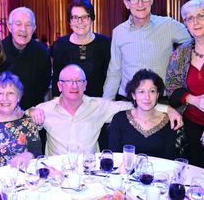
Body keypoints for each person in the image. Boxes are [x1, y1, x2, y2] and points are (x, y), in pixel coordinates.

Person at [29, 64, 182, 156]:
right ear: (59, 86)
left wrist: (167, 108)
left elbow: (137, 103)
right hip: (57, 172)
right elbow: (18, 118)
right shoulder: (45, 109)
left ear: (85, 85)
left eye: (79, 81)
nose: (74, 86)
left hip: (90, 172)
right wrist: (30, 111)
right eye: (68, 82)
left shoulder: (98, 106)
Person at [103, 0, 191, 101]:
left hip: (162, 100)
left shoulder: (169, 25)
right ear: (126, 3)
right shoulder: (118, 32)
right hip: (129, 101)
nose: (140, 4)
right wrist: (106, 105)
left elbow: (196, 41)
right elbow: (114, 72)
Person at [166, 0, 204, 168]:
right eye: (189, 18)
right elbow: (171, 87)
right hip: (192, 125)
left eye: (200, 16)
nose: (195, 22)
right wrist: (193, 100)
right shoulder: (180, 54)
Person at [108, 69, 176, 159]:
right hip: (126, 171)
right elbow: (113, 156)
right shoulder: (119, 119)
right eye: (141, 92)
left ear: (157, 95)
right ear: (133, 95)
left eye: (152, 91)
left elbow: (169, 160)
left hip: (158, 172)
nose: (147, 97)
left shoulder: (168, 121)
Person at [52, 0, 111, 97]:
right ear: (69, 22)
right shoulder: (60, 45)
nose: (80, 21)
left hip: (98, 104)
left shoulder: (105, 43)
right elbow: (57, 79)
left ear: (92, 19)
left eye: (85, 17)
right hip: (69, 105)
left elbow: (111, 77)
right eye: (75, 17)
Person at [2, 7, 52, 110]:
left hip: (32, 111)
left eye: (28, 25)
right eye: (18, 24)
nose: (23, 29)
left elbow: (43, 85)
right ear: (9, 27)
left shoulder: (42, 53)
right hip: (2, 111)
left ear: (34, 29)